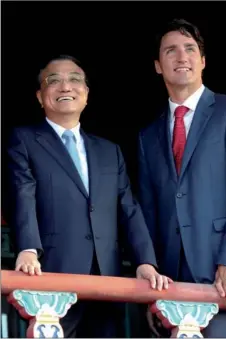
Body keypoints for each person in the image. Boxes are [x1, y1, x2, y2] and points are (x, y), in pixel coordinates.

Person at [7, 55, 171, 338]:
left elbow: (128, 209)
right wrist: (28, 249)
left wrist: (145, 262)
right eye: (53, 80)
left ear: (86, 95)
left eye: (74, 79)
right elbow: (23, 193)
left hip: (106, 278)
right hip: (52, 274)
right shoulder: (23, 140)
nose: (65, 86)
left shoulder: (110, 151)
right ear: (39, 96)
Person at [137, 19, 226, 338]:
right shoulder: (148, 136)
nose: (181, 56)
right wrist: (151, 284)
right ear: (158, 66)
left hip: (222, 274)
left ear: (203, 61)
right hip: (170, 280)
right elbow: (149, 213)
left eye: (190, 49)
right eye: (171, 50)